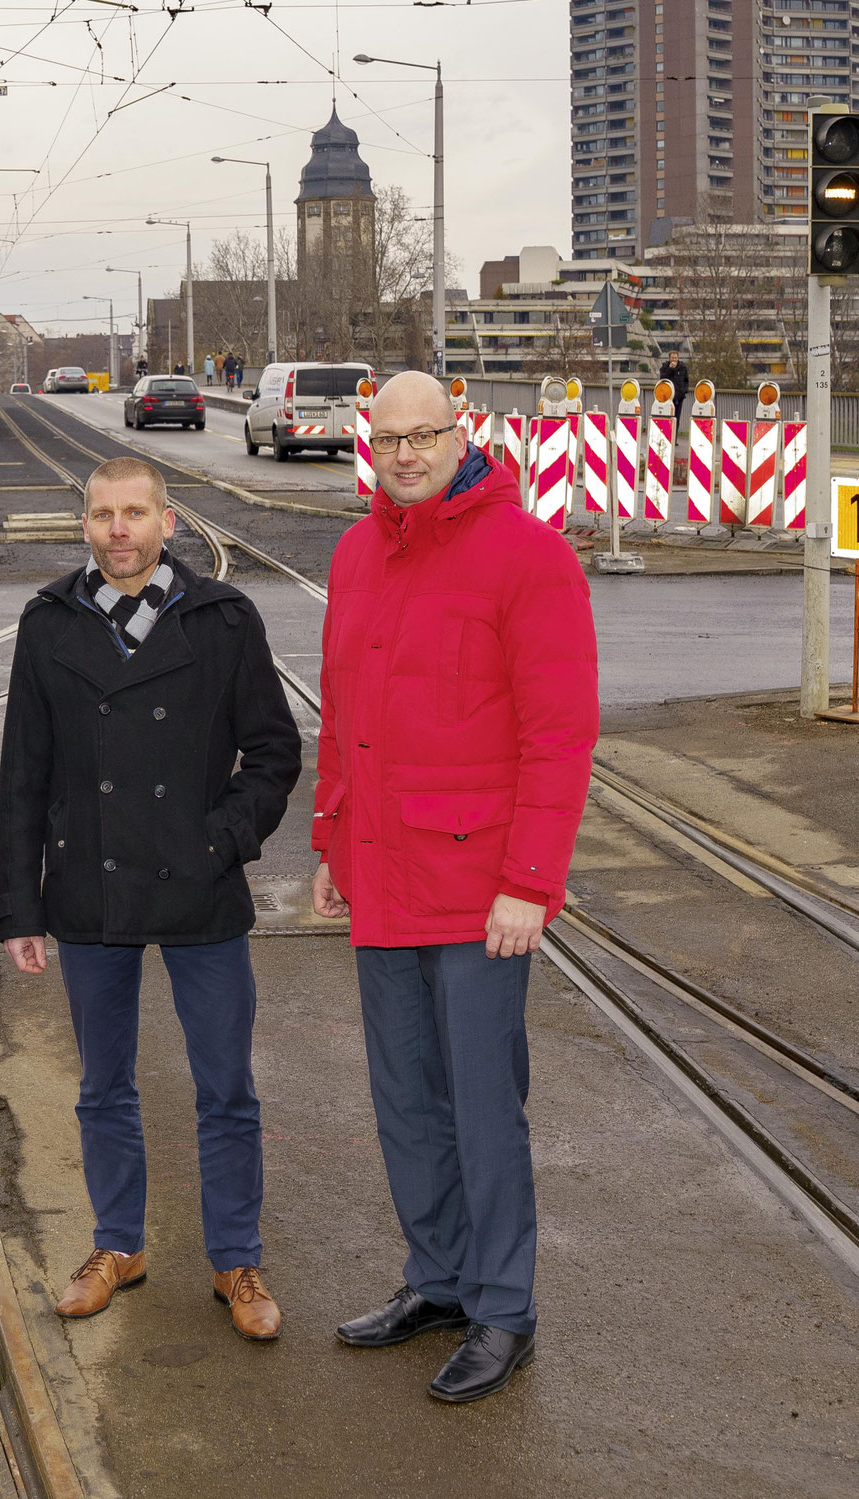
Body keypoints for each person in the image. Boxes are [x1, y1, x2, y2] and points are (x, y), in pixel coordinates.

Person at [312, 371, 597, 1404]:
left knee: (482, 1106)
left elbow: (558, 734)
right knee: (403, 1099)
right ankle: (434, 1278)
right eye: (385, 438)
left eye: (421, 434)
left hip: (481, 890)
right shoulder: (355, 552)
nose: (402, 453)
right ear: (369, 444)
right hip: (382, 872)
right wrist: (329, 840)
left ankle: (501, 1307)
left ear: (457, 433)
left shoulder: (527, 554)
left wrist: (529, 881)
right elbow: (342, 707)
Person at [0, 456, 301, 1342]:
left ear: (169, 522)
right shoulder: (50, 621)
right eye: (102, 514)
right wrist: (21, 905)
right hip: (91, 886)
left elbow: (274, 752)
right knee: (104, 1086)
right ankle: (117, 1245)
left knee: (226, 1087)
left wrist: (219, 840)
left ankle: (236, 1258)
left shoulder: (222, 618)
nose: (118, 529)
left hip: (200, 887)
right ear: (83, 525)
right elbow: (23, 775)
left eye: (135, 513)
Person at [658, 351, 691, 433]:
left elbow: (686, 380)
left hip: (679, 397)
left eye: (676, 358)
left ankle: (674, 438)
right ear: (669, 359)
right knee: (667, 417)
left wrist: (684, 390)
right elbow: (662, 379)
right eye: (673, 358)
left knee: (676, 418)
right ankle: (667, 435)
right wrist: (670, 369)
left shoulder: (682, 367)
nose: (674, 360)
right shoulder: (665, 367)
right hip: (667, 397)